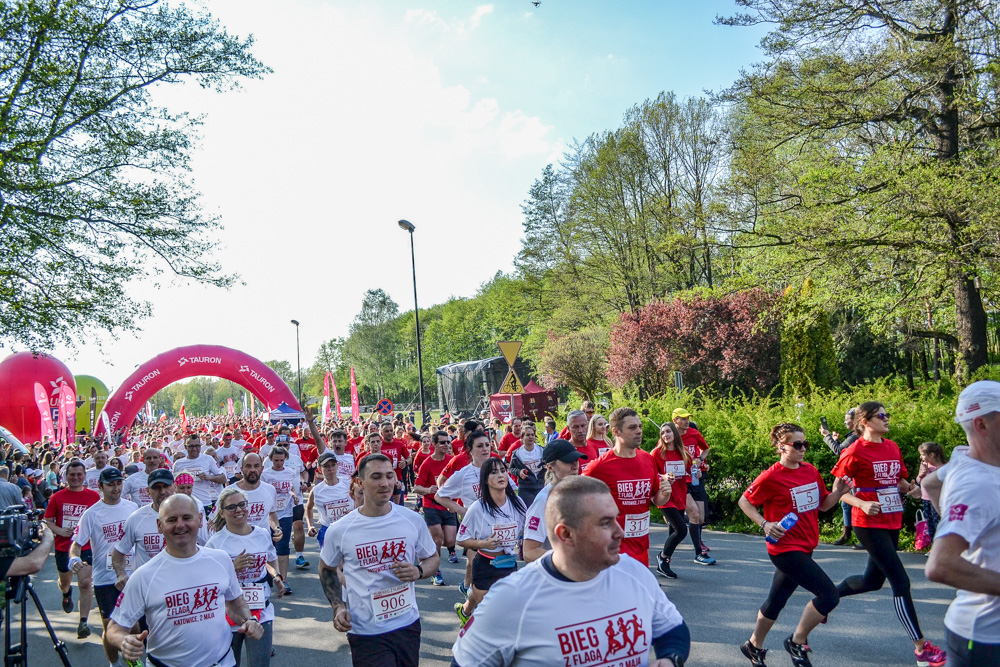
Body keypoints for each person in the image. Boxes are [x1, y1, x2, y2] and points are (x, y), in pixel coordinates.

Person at [451, 476, 690, 667]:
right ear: (565, 534)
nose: (620, 532)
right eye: (605, 523)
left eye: (616, 520)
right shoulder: (510, 599)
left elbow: (672, 627)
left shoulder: (635, 573)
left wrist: (670, 658)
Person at [831, 401, 947, 667]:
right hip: (867, 522)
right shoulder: (853, 451)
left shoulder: (892, 446)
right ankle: (921, 649)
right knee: (900, 581)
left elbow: (900, 481)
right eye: (880, 416)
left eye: (886, 415)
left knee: (872, 581)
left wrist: (912, 489)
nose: (886, 419)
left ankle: (828, 596)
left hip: (892, 519)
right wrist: (860, 503)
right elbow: (838, 492)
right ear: (865, 422)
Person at [737, 423, 851, 667]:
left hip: (806, 546)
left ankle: (753, 646)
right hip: (784, 549)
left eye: (805, 444)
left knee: (776, 600)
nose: (803, 449)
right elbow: (744, 501)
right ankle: (797, 642)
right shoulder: (771, 476)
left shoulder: (810, 471)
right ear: (781, 447)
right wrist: (764, 523)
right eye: (797, 444)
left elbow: (823, 505)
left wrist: (839, 492)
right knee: (829, 595)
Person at [107, 494, 264, 667]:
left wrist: (249, 620)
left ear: (200, 520)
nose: (180, 525)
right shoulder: (144, 575)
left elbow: (235, 602)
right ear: (160, 526)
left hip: (223, 662)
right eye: (172, 519)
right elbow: (115, 628)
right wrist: (124, 641)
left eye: (187, 518)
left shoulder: (221, 560)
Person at [318, 454, 440, 667]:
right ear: (360, 483)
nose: (385, 483)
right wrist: (338, 606)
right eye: (376, 477)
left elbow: (432, 557)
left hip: (407, 625)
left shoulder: (411, 520)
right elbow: (326, 568)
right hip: (366, 631)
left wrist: (419, 571)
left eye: (389, 476)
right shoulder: (340, 529)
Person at [926, 380, 1000, 666]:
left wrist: (959, 524)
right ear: (981, 424)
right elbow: (940, 565)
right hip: (985, 638)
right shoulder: (977, 485)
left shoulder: (964, 460)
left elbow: (931, 484)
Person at [208, 487, 287, 667]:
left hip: (261, 610)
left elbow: (270, 560)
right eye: (231, 507)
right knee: (229, 664)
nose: (238, 510)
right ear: (222, 512)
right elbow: (210, 582)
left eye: (242, 504)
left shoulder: (262, 534)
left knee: (260, 663)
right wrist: (232, 568)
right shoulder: (216, 542)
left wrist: (276, 576)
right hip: (229, 614)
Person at [69, 467, 139, 665]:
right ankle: (113, 663)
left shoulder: (132, 508)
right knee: (110, 628)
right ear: (100, 486)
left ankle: (132, 660)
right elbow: (76, 545)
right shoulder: (91, 514)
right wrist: (74, 559)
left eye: (119, 483)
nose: (116, 488)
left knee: (134, 626)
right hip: (104, 579)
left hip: (131, 576)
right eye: (110, 485)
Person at [584, 407, 670, 564]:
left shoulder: (648, 459)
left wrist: (664, 494)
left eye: (640, 426)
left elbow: (655, 499)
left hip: (642, 548)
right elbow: (577, 499)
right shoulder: (599, 467)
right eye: (632, 427)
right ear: (616, 432)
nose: (638, 431)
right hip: (613, 551)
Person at [454, 457, 526, 625]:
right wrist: (482, 544)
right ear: (485, 480)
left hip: (508, 562)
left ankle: (464, 610)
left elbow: (528, 530)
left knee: (506, 608)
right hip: (485, 564)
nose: (501, 475)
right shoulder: (478, 508)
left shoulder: (517, 503)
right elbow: (460, 539)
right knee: (490, 611)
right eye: (494, 472)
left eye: (503, 471)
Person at [43, 459, 99, 637]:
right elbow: (48, 520)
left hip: (86, 546)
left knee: (85, 583)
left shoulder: (94, 497)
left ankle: (83, 622)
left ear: (84, 476)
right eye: (72, 475)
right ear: (66, 476)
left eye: (79, 474)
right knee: (65, 583)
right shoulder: (57, 497)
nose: (76, 478)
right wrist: (60, 530)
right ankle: (66, 594)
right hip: (63, 547)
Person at [113, 468, 176, 594]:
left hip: (178, 585)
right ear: (148, 491)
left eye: (166, 486)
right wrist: (121, 574)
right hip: (147, 588)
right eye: (156, 488)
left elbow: (206, 546)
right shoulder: (136, 519)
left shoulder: (189, 514)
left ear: (174, 486)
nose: (162, 491)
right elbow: (118, 552)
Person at [521, 439, 585, 563]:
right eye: (568, 461)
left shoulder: (582, 493)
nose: (575, 465)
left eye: (576, 459)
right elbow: (529, 552)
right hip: (556, 577)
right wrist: (566, 559)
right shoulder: (543, 501)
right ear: (550, 467)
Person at [412, 430, 459, 585]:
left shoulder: (453, 460)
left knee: (450, 540)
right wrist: (428, 490)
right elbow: (417, 487)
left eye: (448, 442)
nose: (446, 445)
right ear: (434, 445)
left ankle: (430, 548)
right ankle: (435, 571)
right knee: (438, 538)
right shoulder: (427, 463)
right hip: (431, 504)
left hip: (449, 505)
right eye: (442, 442)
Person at [672, 408, 715, 564]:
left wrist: (700, 459)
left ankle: (676, 519)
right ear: (675, 420)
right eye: (682, 419)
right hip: (681, 481)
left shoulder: (694, 433)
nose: (686, 421)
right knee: (695, 515)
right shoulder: (671, 435)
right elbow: (660, 453)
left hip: (696, 478)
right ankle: (699, 553)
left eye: (687, 418)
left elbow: (706, 449)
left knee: (700, 517)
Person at [651, 421, 691, 578]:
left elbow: (689, 473)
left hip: (680, 496)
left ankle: (664, 565)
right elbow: (649, 474)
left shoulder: (684, 454)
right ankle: (662, 557)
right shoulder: (656, 454)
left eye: (668, 431)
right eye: (662, 433)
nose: (665, 435)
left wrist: (697, 473)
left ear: (675, 433)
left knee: (673, 531)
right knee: (681, 530)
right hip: (665, 497)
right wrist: (663, 477)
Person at [261, 446, 301, 586]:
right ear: (271, 459)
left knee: (283, 546)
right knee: (268, 545)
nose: (279, 463)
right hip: (270, 515)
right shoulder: (266, 474)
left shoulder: (289, 472)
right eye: (276, 460)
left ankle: (284, 580)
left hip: (286, 512)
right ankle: (269, 577)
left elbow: (290, 487)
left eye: (282, 460)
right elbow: (262, 491)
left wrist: (294, 495)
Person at [821, 408, 860, 546]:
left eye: (847, 418)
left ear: (855, 421)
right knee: (846, 504)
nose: (845, 421)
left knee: (855, 504)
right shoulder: (852, 436)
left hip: (855, 476)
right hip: (848, 475)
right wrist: (835, 441)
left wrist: (827, 436)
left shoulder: (855, 436)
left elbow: (839, 451)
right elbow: (842, 451)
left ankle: (861, 537)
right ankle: (847, 533)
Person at [305, 451, 354, 549]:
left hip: (349, 529)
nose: (330, 469)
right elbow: (309, 508)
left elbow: (361, 502)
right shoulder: (317, 491)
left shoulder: (348, 484)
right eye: (326, 466)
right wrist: (310, 526)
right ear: (319, 469)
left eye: (333, 465)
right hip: (328, 531)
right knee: (328, 564)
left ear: (337, 466)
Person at [172, 434, 227, 516]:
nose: (194, 449)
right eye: (191, 446)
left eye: (197, 446)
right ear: (185, 446)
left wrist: (209, 477)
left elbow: (223, 479)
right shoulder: (178, 463)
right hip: (185, 504)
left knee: (206, 528)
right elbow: (173, 485)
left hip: (205, 503)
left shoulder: (208, 459)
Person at [908, 441, 946, 543]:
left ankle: (940, 545)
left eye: (923, 455)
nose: (921, 457)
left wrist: (930, 473)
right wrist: (921, 474)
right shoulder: (924, 466)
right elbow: (920, 482)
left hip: (937, 501)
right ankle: (933, 547)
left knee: (938, 523)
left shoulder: (943, 468)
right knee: (929, 524)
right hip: (926, 499)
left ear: (932, 455)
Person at [508, 422, 544, 507]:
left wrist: (546, 466)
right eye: (528, 435)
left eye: (532, 435)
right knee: (527, 513)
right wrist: (519, 472)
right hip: (526, 488)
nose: (531, 437)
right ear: (522, 438)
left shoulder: (541, 450)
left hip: (541, 486)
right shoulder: (517, 454)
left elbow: (550, 464)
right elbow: (511, 469)